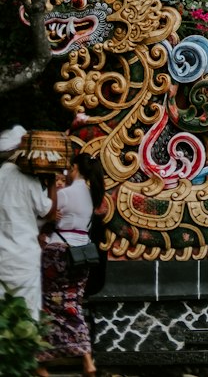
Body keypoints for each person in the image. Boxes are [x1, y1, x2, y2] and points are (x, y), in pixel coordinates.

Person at [42, 153, 102, 377]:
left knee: (47, 303)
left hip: (58, 253)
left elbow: (43, 216)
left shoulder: (64, 194)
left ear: (75, 168)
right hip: (82, 254)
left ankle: (42, 361)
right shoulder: (90, 194)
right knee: (72, 304)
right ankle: (87, 359)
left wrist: (50, 193)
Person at [0, 124, 56, 324]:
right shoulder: (28, 180)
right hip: (24, 258)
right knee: (28, 317)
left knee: (3, 315)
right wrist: (51, 182)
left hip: (2, 259)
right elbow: (49, 213)